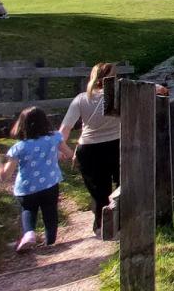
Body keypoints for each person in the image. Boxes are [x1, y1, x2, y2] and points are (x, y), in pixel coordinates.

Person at [0, 106, 64, 251]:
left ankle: (29, 234)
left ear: (21, 125)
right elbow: (68, 153)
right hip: (50, 185)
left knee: (28, 210)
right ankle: (50, 242)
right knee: (50, 212)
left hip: (27, 188)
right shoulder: (55, 138)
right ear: (45, 122)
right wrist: (59, 155)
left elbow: (4, 175)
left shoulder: (19, 147)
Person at [58, 63, 120, 236]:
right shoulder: (119, 95)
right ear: (112, 78)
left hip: (88, 149)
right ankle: (118, 221)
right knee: (122, 184)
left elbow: (63, 131)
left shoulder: (81, 98)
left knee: (99, 191)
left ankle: (100, 225)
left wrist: (67, 152)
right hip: (116, 144)